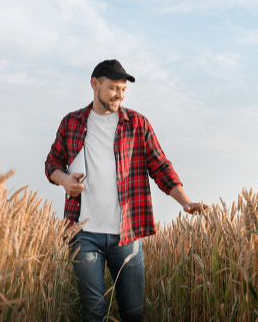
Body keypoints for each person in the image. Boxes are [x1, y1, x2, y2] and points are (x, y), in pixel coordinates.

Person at [45, 59, 206, 322]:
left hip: (127, 234)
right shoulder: (72, 122)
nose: (119, 94)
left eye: (123, 89)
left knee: (133, 313)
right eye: (113, 88)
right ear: (94, 84)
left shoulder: (138, 124)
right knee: (94, 314)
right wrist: (64, 181)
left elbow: (161, 166)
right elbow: (52, 163)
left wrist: (185, 202)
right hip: (84, 235)